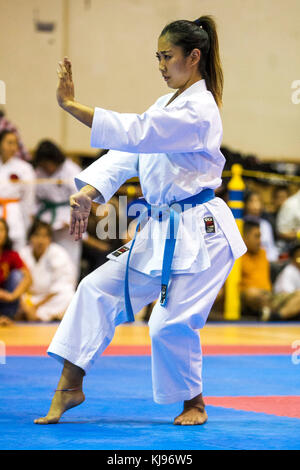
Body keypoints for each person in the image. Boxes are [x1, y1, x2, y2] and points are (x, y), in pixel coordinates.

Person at [35, 16, 246, 426]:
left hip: (202, 232)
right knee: (95, 287)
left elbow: (138, 132)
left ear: (194, 56)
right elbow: (128, 153)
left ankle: (195, 403)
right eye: (158, 57)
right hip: (162, 229)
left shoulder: (199, 109)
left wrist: (72, 107)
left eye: (168, 57)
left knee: (167, 325)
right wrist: (89, 191)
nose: (162, 65)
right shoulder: (167, 105)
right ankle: (70, 384)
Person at [33, 140, 83, 279]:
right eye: (43, 164)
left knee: (69, 261)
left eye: (48, 163)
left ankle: (68, 292)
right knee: (46, 261)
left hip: (67, 223)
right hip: (45, 222)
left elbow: (81, 199)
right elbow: (35, 198)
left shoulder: (71, 170)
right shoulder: (38, 172)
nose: (47, 168)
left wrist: (73, 220)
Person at [241, 220, 300, 321]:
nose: (260, 240)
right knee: (252, 293)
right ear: (245, 237)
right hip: (249, 297)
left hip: (270, 296)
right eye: (257, 236)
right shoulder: (237, 256)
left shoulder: (263, 253)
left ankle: (277, 316)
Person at [19, 220, 76, 322]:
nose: (40, 240)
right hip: (29, 299)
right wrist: (27, 306)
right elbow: (17, 285)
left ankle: (40, 315)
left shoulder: (58, 253)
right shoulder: (23, 253)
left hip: (49, 299)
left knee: (69, 295)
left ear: (50, 239)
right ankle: (34, 314)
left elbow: (63, 284)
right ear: (30, 237)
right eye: (37, 235)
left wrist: (36, 306)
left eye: (45, 236)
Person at [0, 130, 36, 250]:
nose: (13, 147)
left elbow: (28, 198)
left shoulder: (25, 168)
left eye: (15, 143)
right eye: (9, 143)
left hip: (14, 212)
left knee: (16, 247)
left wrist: (27, 223)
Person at [0, 218, 32, 326]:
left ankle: (7, 316)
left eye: (1, 230)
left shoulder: (11, 255)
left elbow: (28, 278)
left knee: (17, 276)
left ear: (6, 234)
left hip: (6, 300)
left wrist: (12, 296)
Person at [244, 191, 279, 262]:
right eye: (252, 201)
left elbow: (271, 247)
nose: (256, 205)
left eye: (258, 201)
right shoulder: (240, 223)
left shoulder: (266, 225)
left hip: (266, 260)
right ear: (246, 204)